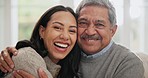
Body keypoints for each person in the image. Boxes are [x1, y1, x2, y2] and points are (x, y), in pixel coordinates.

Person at [0, 0, 145, 78]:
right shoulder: (66, 53)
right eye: (82, 23)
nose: (89, 31)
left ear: (113, 30)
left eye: (99, 24)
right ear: (42, 31)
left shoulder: (129, 63)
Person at [0, 5, 81, 78]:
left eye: (72, 31)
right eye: (57, 27)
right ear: (42, 31)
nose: (65, 36)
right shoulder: (27, 57)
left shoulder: (66, 68)